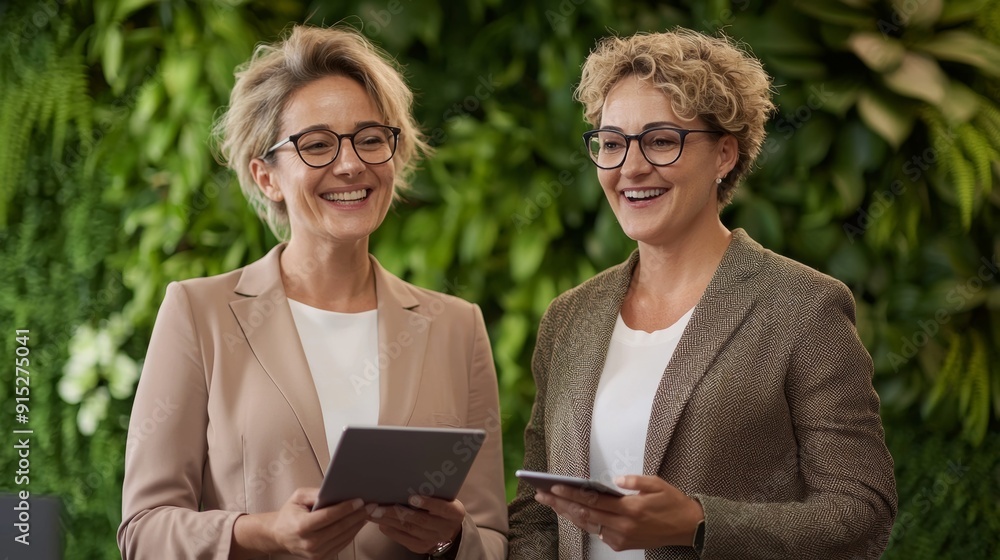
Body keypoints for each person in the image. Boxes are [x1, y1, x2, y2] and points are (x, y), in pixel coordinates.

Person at [117, 25, 507, 560]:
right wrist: (261, 532)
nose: (350, 164)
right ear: (266, 177)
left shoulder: (457, 327)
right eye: (316, 144)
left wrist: (449, 538)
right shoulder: (198, 313)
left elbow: (490, 537)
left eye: (370, 138)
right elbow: (143, 531)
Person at [507, 29, 897, 559]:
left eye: (662, 140)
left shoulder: (803, 308)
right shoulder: (569, 317)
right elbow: (536, 513)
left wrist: (698, 522)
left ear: (724, 155)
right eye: (612, 143)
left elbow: (861, 510)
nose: (630, 167)